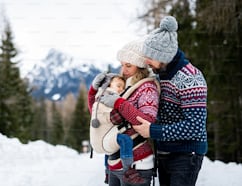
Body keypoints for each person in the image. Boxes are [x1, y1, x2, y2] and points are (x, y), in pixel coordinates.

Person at [132, 16, 208, 186]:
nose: (146, 61)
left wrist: (153, 131)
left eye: (150, 56)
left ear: (163, 56)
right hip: (165, 152)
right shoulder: (161, 76)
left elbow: (195, 127)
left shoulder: (190, 78)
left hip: (186, 155)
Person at [88, 39, 160, 186]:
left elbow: (147, 122)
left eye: (129, 65)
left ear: (140, 66)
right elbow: (101, 118)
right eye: (122, 65)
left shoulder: (147, 88)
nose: (123, 70)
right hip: (117, 161)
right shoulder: (125, 87)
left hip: (137, 164)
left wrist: (119, 103)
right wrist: (93, 92)